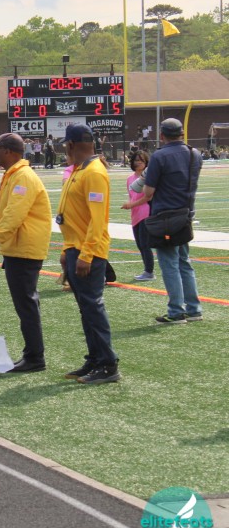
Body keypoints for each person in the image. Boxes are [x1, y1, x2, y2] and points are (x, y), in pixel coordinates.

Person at [0, 133, 52, 373]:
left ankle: (35, 357)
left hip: (24, 248)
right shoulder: (15, 174)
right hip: (19, 247)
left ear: (8, 151)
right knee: (25, 304)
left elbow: (13, 215)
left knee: (26, 304)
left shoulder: (22, 177)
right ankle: (32, 354)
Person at [56, 125, 120, 384]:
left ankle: (108, 363)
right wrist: (67, 249)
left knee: (92, 306)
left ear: (71, 144)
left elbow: (98, 220)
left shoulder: (93, 172)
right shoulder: (80, 170)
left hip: (87, 250)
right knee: (86, 308)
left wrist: (87, 254)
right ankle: (95, 358)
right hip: (76, 247)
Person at [141, 118, 203, 323]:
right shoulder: (195, 153)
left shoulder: (159, 156)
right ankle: (194, 309)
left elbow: (148, 192)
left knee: (169, 264)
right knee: (184, 262)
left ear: (162, 135)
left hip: (165, 217)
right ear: (182, 133)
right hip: (186, 215)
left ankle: (176, 311)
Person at [119, 150, 155, 281]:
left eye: (141, 160)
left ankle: (149, 271)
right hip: (135, 214)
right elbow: (132, 196)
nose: (138, 162)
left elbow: (148, 197)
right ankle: (147, 270)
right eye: (136, 160)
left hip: (145, 213)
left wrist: (131, 205)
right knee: (140, 244)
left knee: (145, 244)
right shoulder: (130, 179)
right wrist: (130, 205)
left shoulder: (148, 178)